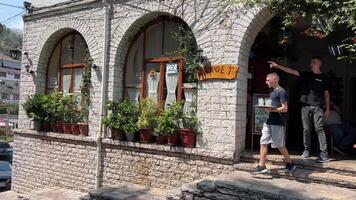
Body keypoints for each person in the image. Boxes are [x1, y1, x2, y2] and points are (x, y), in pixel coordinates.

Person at [269, 56, 331, 163]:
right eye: (311, 62)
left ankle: (324, 154)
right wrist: (278, 66)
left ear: (319, 64)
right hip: (305, 107)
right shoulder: (306, 75)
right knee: (306, 129)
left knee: (319, 129)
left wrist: (328, 109)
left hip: (318, 107)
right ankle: (307, 150)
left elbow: (326, 94)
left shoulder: (324, 78)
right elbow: (292, 71)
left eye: (313, 62)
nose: (311, 64)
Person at [253, 73, 296, 174]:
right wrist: (264, 107)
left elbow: (285, 108)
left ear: (275, 80)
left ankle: (290, 163)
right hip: (268, 121)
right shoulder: (272, 92)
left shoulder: (282, 92)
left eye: (268, 80)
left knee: (279, 145)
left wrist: (271, 110)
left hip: (277, 122)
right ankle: (262, 165)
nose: (266, 82)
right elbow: (271, 106)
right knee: (263, 142)